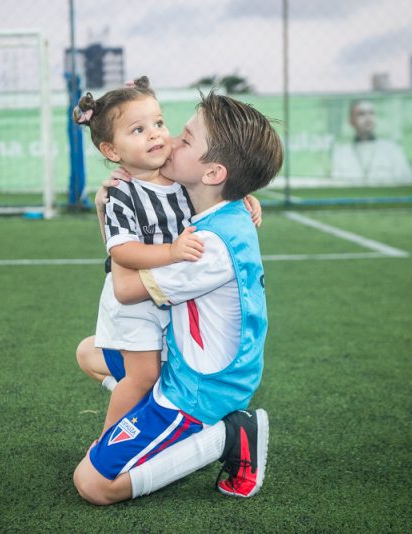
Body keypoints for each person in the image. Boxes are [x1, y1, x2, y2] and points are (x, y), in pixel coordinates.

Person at [73, 91, 284, 505]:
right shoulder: (216, 208)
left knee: (93, 484)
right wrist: (115, 213)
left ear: (213, 173)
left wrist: (116, 217)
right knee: (88, 353)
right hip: (185, 358)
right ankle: (148, 409)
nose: (167, 141)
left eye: (184, 139)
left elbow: (125, 288)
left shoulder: (206, 247)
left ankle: (228, 436)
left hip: (198, 389)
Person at [330, 99, 412, 183]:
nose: (368, 118)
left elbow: (407, 182)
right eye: (361, 114)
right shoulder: (341, 154)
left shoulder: (392, 149)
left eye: (371, 113)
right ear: (351, 121)